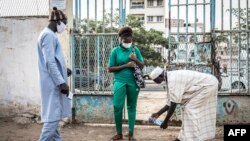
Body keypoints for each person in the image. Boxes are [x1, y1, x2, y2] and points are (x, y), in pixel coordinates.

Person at [150, 67, 218, 141]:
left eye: (156, 81)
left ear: (160, 76)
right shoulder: (170, 77)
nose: (156, 83)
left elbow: (173, 104)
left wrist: (165, 122)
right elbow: (170, 102)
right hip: (208, 83)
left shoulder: (173, 80)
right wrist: (157, 114)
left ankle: (192, 138)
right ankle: (182, 138)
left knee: (190, 109)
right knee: (187, 109)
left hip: (209, 85)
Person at [37, 7, 72, 141]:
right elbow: (49, 62)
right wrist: (61, 82)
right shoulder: (48, 35)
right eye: (64, 22)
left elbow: (54, 60)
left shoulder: (48, 35)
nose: (65, 26)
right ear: (58, 21)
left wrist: (64, 69)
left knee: (54, 121)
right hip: (53, 84)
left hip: (52, 82)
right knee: (52, 121)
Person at [108, 26, 144, 141]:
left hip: (133, 82)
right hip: (119, 81)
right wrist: (126, 65)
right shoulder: (115, 51)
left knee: (131, 107)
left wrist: (136, 60)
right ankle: (119, 133)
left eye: (130, 41)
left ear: (131, 39)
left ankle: (131, 134)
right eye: (125, 41)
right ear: (120, 39)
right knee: (117, 106)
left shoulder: (135, 50)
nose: (128, 43)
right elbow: (110, 68)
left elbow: (142, 65)